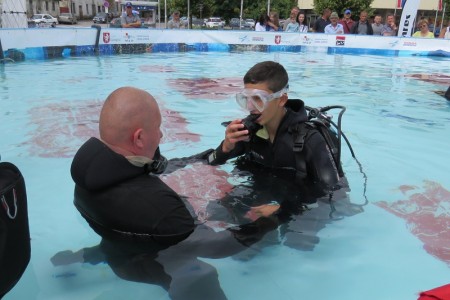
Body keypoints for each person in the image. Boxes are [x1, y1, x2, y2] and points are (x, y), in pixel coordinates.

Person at [70, 87, 196, 245]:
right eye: (158, 127)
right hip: (156, 264)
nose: (161, 135)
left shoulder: (85, 182)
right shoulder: (164, 209)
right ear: (139, 138)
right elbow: (216, 248)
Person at [206, 61, 341, 200]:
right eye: (246, 99)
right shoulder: (250, 132)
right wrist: (226, 147)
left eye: (258, 99)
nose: (250, 107)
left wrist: (281, 211)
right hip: (257, 194)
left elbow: (334, 195)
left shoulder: (310, 140)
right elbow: (211, 161)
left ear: (281, 100)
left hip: (294, 209)